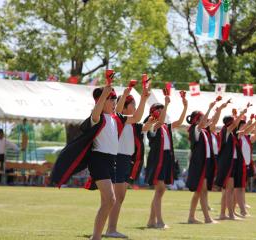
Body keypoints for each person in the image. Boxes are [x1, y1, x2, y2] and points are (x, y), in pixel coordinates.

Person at [51, 84, 147, 240]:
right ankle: (96, 237)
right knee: (111, 199)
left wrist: (143, 98)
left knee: (107, 201)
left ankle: (96, 237)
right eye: (112, 100)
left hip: (111, 161)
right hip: (99, 160)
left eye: (116, 100)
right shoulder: (98, 117)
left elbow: (136, 118)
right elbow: (96, 112)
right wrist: (104, 94)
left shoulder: (117, 118)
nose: (115, 103)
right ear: (102, 101)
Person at [104, 90, 155, 238]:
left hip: (127, 160)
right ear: (125, 107)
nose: (134, 105)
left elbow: (143, 126)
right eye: (132, 103)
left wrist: (150, 121)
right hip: (118, 159)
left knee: (119, 198)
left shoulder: (132, 124)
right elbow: (118, 110)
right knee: (115, 198)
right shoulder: (118, 118)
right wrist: (126, 94)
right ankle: (110, 229)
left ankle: (111, 228)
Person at [145, 95, 188, 229]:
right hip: (157, 160)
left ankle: (151, 221)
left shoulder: (165, 126)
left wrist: (185, 106)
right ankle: (159, 221)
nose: (163, 112)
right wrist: (166, 104)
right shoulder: (152, 124)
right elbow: (160, 121)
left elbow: (180, 122)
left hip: (166, 159)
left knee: (160, 191)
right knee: (161, 189)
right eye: (160, 110)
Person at [185, 100, 218, 224]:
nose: (205, 120)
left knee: (200, 192)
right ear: (197, 120)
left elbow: (212, 121)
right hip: (199, 165)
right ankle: (207, 218)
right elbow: (203, 123)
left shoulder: (203, 131)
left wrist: (217, 109)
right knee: (202, 191)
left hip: (205, 164)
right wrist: (209, 107)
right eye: (202, 118)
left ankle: (191, 217)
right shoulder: (195, 129)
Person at [215, 107, 247, 220]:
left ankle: (223, 214)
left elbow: (241, 129)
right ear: (230, 123)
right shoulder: (226, 131)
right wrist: (242, 113)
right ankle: (230, 215)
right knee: (229, 190)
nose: (235, 123)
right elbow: (235, 124)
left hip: (230, 163)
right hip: (227, 164)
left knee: (228, 190)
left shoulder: (230, 133)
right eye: (233, 121)